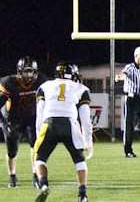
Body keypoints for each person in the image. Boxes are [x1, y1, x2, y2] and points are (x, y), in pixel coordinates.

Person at [33, 62, 93, 202]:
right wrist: (88, 142)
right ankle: (82, 195)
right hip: (70, 124)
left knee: (40, 159)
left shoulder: (44, 86)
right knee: (79, 160)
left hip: (49, 123)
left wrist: (39, 134)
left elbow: (39, 114)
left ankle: (43, 185)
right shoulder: (81, 88)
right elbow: (85, 119)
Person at [0, 56, 48, 188]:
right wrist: (4, 123)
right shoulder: (8, 83)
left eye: (30, 71)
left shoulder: (41, 81)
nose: (28, 75)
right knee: (12, 151)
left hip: (31, 117)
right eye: (25, 72)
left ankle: (35, 175)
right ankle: (12, 176)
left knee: (35, 146)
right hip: (12, 118)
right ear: (19, 72)